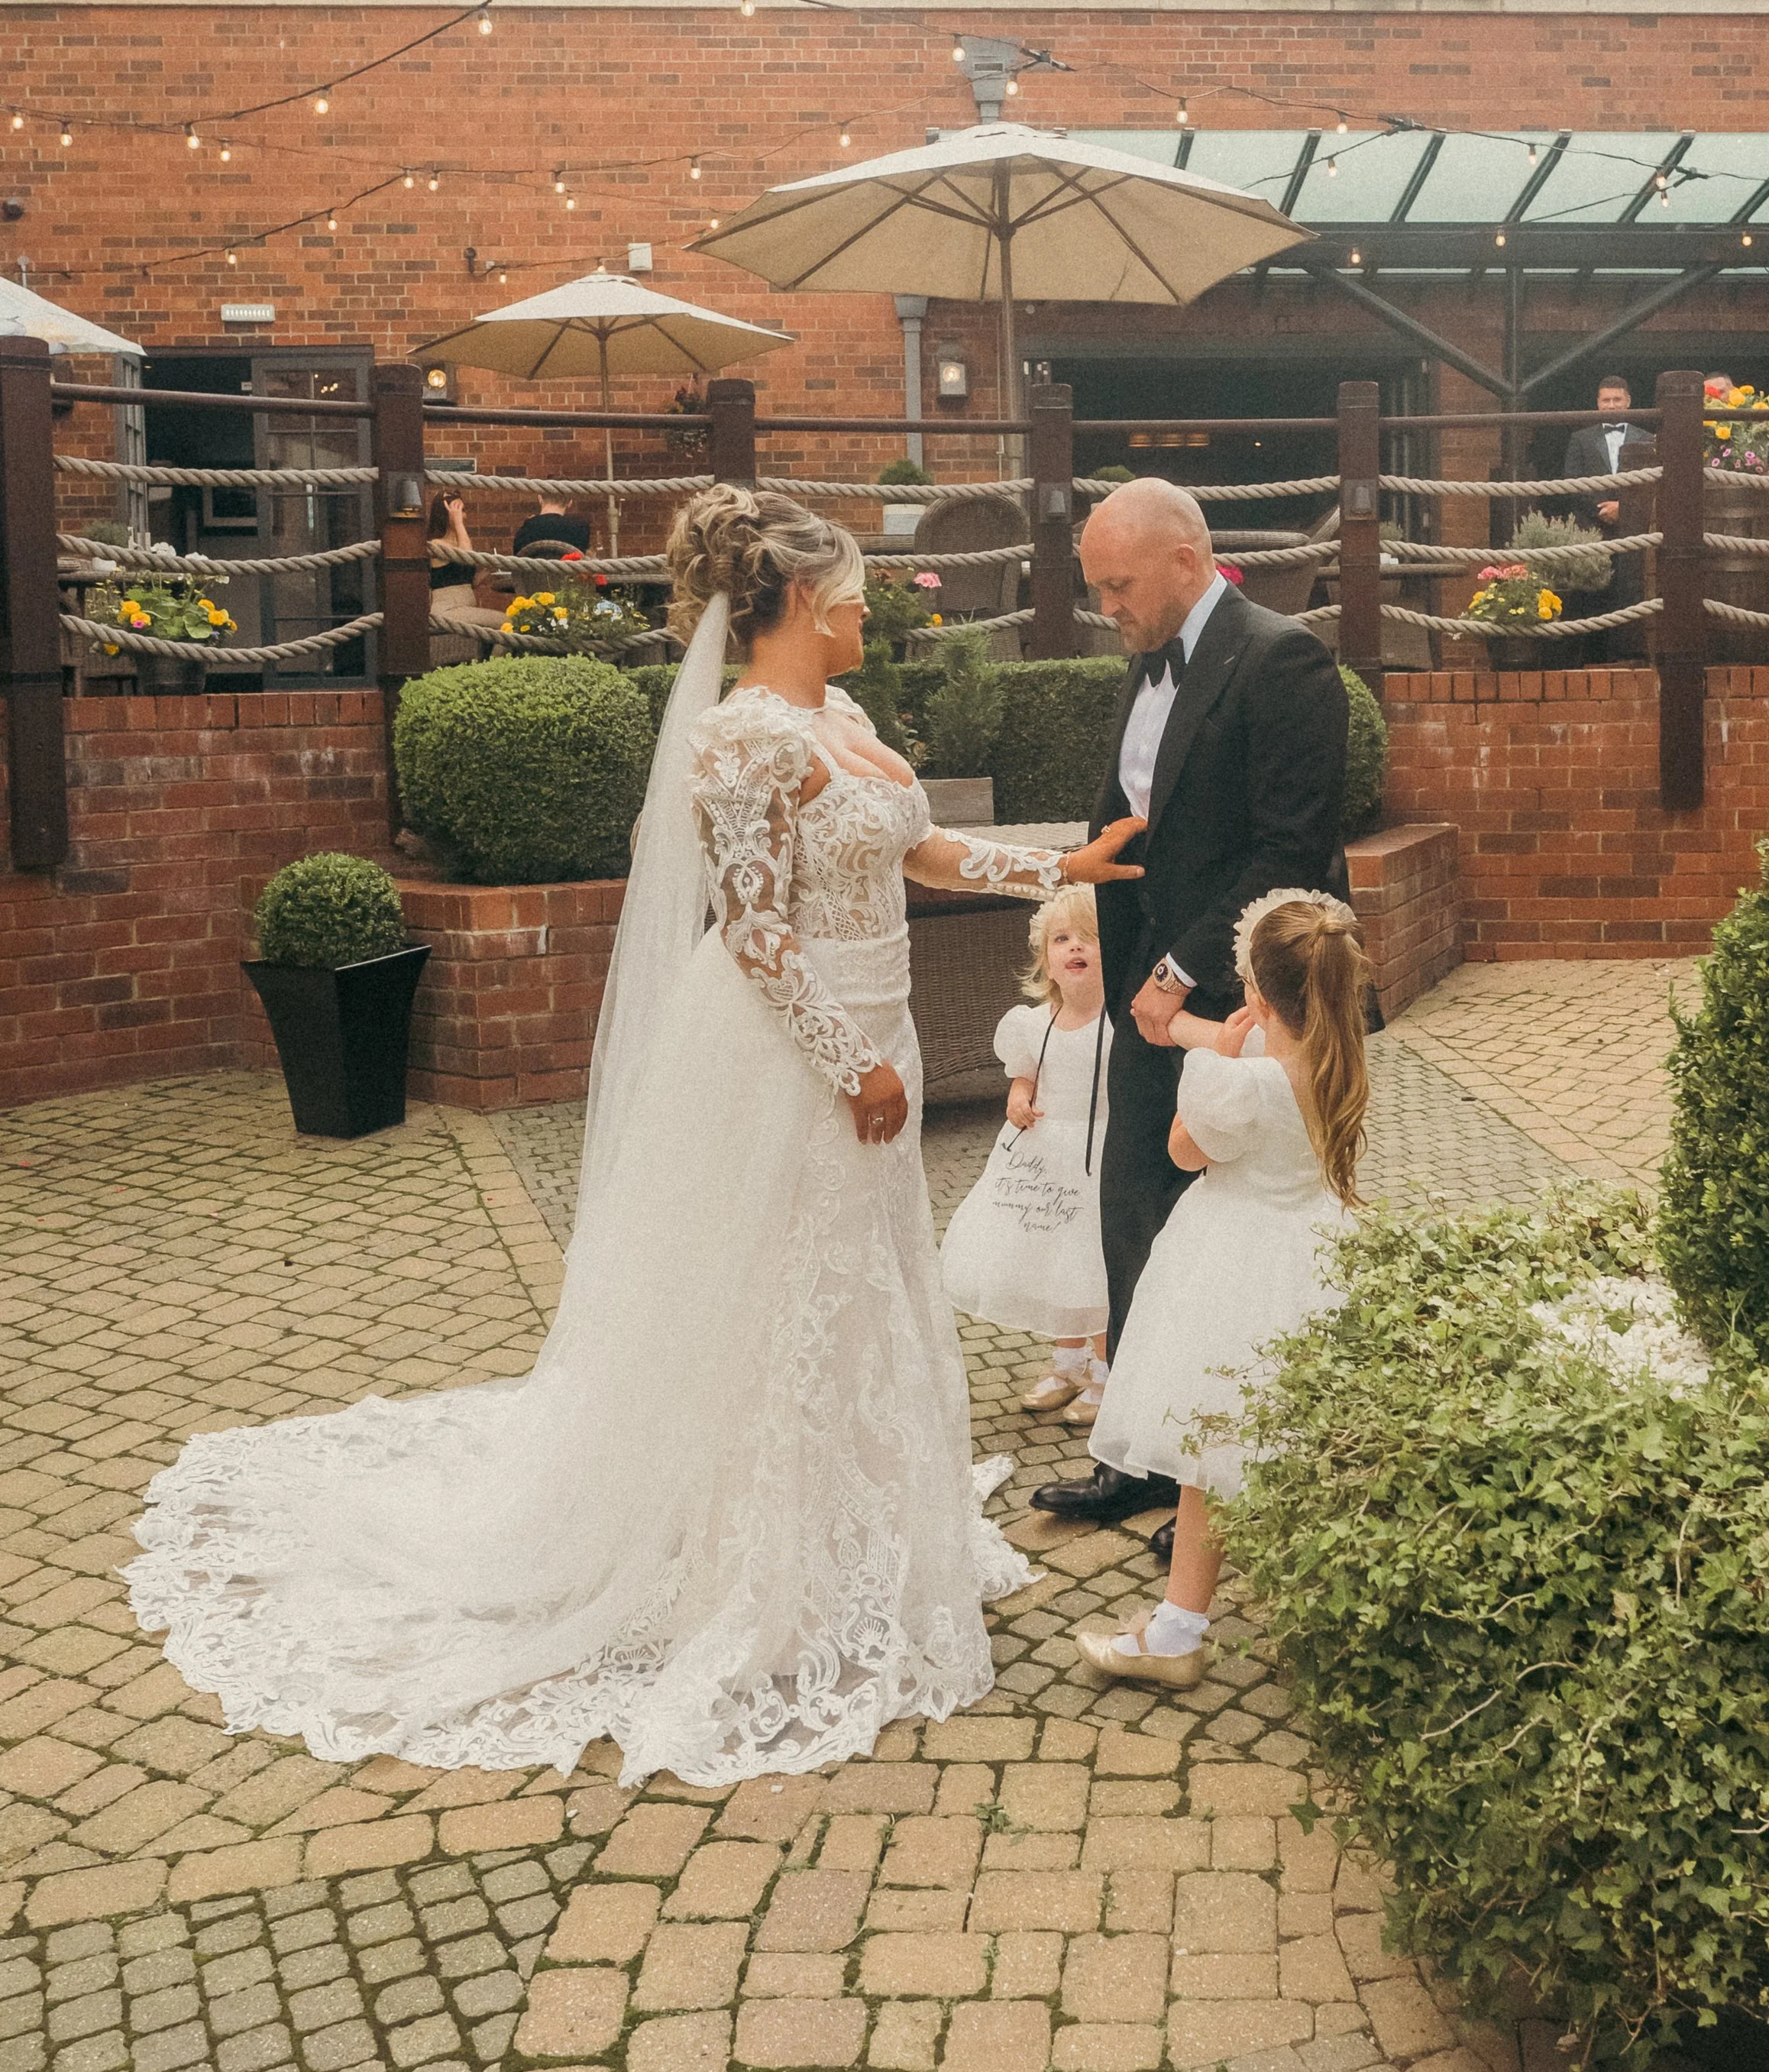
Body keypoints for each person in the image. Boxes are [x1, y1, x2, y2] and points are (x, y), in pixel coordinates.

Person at [126, 486, 1144, 1788]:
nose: (866, 614)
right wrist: (849, 1067)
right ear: (793, 602)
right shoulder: (736, 743)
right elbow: (760, 930)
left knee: (850, 1295)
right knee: (768, 1298)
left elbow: (920, 852)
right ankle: (751, 1580)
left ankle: (852, 1530)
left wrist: (1066, 864)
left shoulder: (840, 714)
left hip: (875, 1031)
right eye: (850, 597)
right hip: (791, 1054)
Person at [1030, 476, 1349, 1545]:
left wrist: (1176, 971)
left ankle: (1237, 1485)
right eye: (1096, 588)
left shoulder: (1284, 658)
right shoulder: (1144, 659)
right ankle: (1141, 1454)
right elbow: (1139, 822)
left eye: (1118, 585)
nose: (1107, 606)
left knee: (1243, 1257)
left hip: (1251, 1015)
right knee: (1137, 1221)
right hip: (1141, 1002)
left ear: (1184, 558)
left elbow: (1289, 849)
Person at [1075, 889, 1370, 1686]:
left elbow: (1182, 1152)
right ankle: (1338, 1611)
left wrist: (1203, 1062)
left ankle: (1175, 1634)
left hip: (1230, 1265)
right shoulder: (1338, 1060)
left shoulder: (1237, 1082)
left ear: (1258, 994)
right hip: (1313, 1258)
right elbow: (1244, 1042)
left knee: (1208, 1452)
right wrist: (1197, 1034)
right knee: (1304, 1447)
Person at [939, 885, 1110, 1424]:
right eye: (1062, 940)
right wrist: (1018, 1098)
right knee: (1056, 1261)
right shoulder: (1034, 1024)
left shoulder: (1118, 1023)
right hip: (1042, 1163)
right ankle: (1068, 1359)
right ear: (1047, 961)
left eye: (1090, 939)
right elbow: (1024, 1078)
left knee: (1094, 1263)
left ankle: (1106, 1371)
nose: (1075, 948)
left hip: (1098, 1153)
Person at [1560, 374, 1654, 660]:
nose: (1611, 405)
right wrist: (1603, 510)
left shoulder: (1648, 439)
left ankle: (1631, 654)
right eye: (1606, 400)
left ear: (1628, 401)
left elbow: (1654, 484)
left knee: (1633, 591)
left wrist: (1624, 507)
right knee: (1591, 594)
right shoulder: (1580, 438)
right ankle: (1592, 659)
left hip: (1636, 530)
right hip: (1592, 529)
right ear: (1597, 404)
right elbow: (1571, 482)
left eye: (1617, 399)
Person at [427, 493, 505, 656]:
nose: (464, 515)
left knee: (507, 624)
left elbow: (471, 583)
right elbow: (466, 557)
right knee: (508, 623)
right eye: (459, 510)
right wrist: (458, 522)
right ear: (446, 513)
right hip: (448, 609)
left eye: (462, 511)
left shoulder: (460, 542)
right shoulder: (436, 544)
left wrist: (489, 569)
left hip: (466, 606)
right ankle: (495, 670)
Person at [513, 490, 593, 557]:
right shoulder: (580, 528)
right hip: (569, 576)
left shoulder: (527, 528)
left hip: (533, 576)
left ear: (540, 499)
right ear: (570, 503)